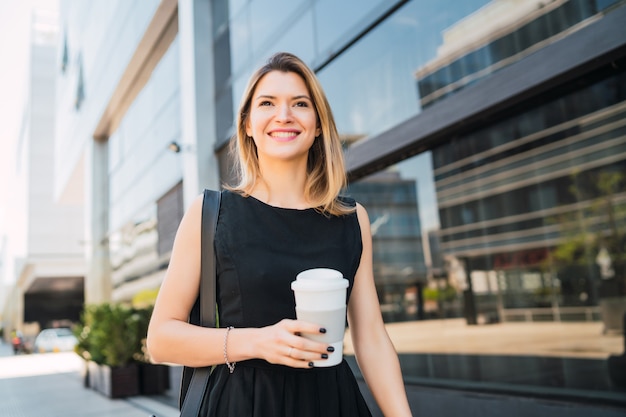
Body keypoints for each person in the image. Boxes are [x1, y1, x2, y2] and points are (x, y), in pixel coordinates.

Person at [147, 52, 412, 416]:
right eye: (268, 103)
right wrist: (257, 341)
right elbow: (160, 340)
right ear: (248, 125)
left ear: (318, 124)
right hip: (241, 405)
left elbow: (371, 337)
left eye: (300, 104)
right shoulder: (210, 213)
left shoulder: (352, 218)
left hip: (331, 403)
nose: (284, 115)